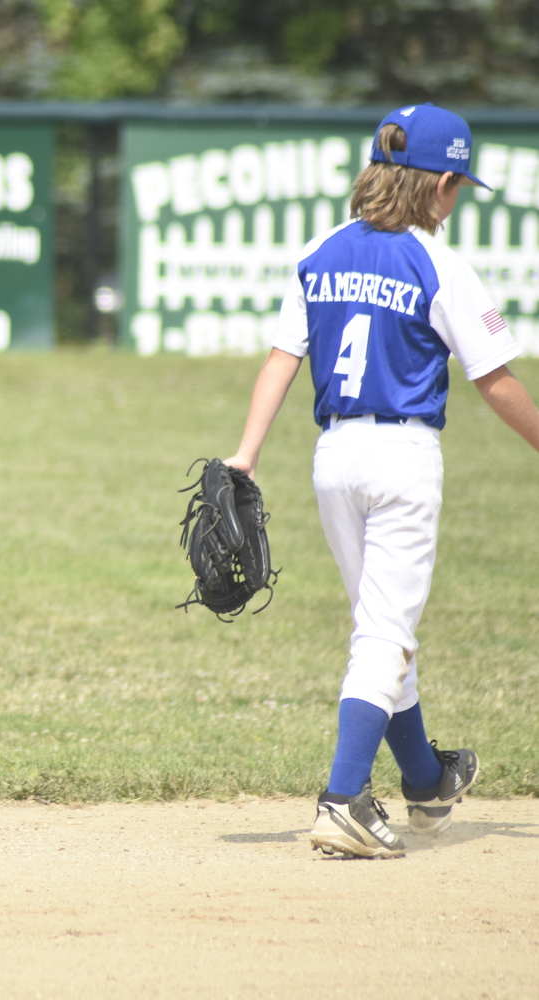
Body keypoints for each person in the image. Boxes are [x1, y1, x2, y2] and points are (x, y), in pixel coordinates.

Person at [225, 104, 539, 858]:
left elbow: (281, 358)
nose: (456, 198)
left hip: (332, 459)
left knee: (382, 627)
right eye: (456, 184)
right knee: (385, 631)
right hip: (403, 460)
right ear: (435, 185)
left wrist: (245, 455)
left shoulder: (320, 250)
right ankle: (342, 799)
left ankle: (427, 779)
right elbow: (494, 381)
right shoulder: (439, 264)